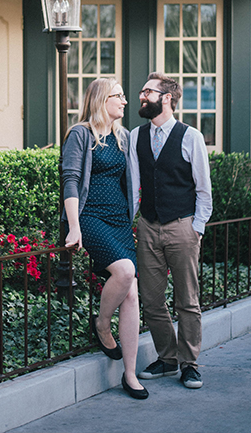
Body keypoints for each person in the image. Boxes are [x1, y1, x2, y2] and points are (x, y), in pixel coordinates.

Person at [61, 77, 148, 400]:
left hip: (120, 221)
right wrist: (74, 226)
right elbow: (70, 179)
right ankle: (101, 324)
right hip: (91, 217)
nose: (125, 102)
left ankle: (129, 374)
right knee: (124, 272)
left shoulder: (122, 136)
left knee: (132, 295)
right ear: (102, 100)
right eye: (119, 96)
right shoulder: (80, 134)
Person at [128, 72, 212, 390]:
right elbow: (136, 186)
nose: (141, 97)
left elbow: (204, 190)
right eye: (141, 91)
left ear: (166, 98)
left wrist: (196, 229)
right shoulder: (136, 136)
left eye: (147, 92)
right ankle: (167, 358)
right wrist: (133, 222)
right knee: (151, 300)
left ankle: (190, 364)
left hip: (182, 227)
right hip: (148, 227)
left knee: (187, 301)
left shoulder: (191, 137)